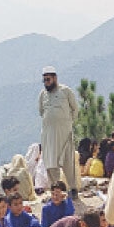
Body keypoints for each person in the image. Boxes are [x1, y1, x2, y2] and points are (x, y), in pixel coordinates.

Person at [38, 66, 79, 199]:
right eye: (44, 80)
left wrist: (66, 123)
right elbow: (41, 112)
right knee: (50, 164)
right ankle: (56, 191)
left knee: (68, 163)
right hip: (48, 136)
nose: (46, 83)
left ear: (55, 78)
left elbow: (75, 109)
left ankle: (72, 189)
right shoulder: (42, 95)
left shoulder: (66, 91)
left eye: (48, 79)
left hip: (64, 134)